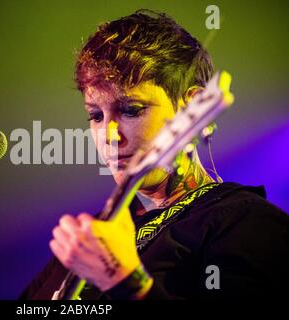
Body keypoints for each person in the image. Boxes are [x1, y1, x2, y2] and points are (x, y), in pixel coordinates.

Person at [20, 9, 289, 300]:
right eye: (96, 115)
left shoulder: (246, 223)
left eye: (130, 110)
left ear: (190, 107)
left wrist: (125, 280)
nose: (109, 136)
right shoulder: (92, 238)